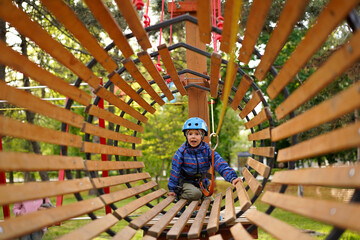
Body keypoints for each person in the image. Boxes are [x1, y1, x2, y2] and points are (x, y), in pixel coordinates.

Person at [168, 117, 242, 201]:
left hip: (201, 182)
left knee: (210, 201)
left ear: (202, 136)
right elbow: (175, 170)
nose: (193, 137)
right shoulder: (182, 151)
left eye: (197, 134)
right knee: (196, 194)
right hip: (185, 182)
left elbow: (219, 163)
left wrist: (232, 178)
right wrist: (172, 189)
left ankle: (208, 211)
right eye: (190, 134)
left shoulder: (207, 150)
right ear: (186, 135)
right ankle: (180, 194)